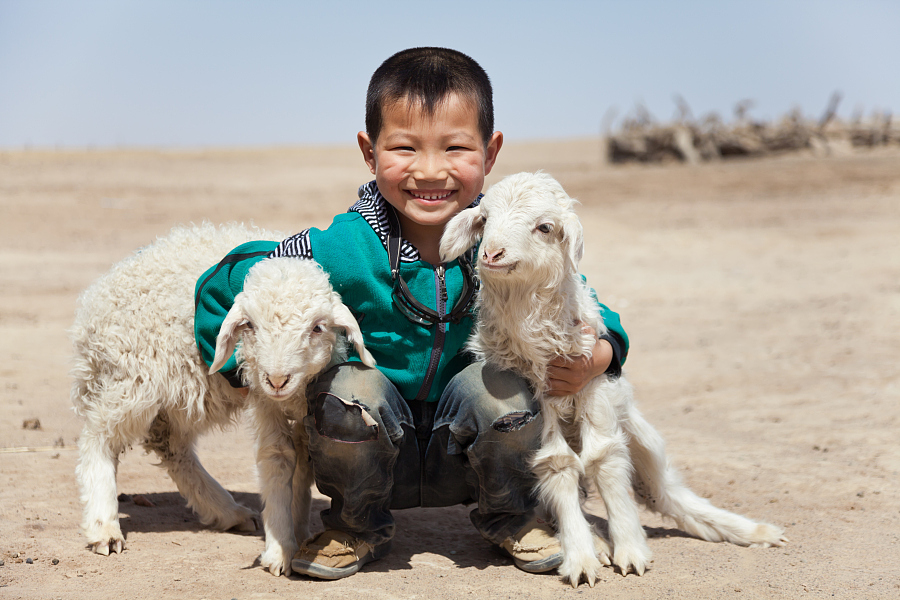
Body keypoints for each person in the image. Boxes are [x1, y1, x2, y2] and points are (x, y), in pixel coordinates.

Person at [194, 47, 629, 580]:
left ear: (490, 152)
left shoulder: (500, 245)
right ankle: (354, 526)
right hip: (369, 450)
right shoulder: (341, 247)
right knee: (350, 388)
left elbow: (589, 308)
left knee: (502, 388)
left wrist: (597, 356)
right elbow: (225, 283)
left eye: (455, 147)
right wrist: (244, 367)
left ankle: (514, 517)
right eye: (404, 148)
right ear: (369, 152)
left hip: (469, 453)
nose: (429, 170)